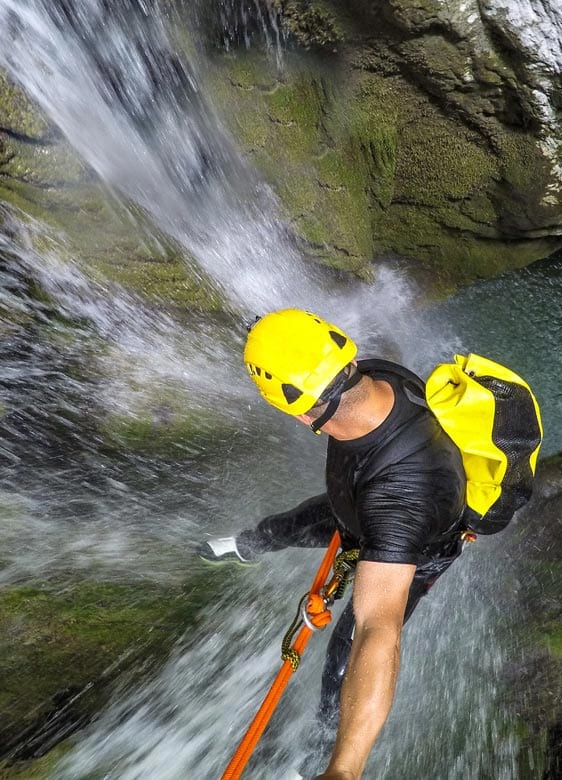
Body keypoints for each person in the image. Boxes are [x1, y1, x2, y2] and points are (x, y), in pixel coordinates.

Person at [198, 309, 469, 780]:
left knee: (346, 655)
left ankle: (325, 760)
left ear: (304, 414)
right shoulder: (378, 376)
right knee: (290, 524)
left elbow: (378, 628)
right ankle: (247, 546)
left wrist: (346, 770)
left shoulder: (400, 499)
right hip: (359, 501)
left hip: (409, 543)